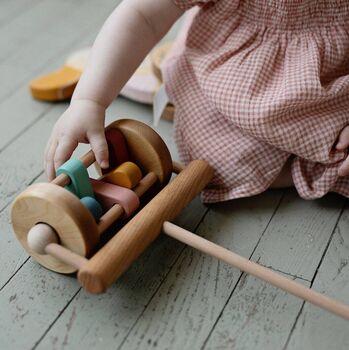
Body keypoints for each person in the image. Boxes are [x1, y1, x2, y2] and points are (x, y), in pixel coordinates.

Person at [44, 0, 349, 203]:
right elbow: (143, 14)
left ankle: (317, 162)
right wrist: (89, 101)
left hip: (329, 84)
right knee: (214, 159)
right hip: (231, 77)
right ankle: (299, 170)